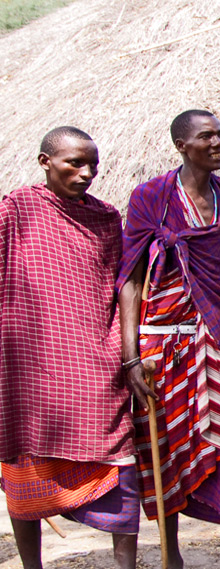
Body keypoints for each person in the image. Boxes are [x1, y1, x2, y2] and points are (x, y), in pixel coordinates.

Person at [0, 127, 140, 569]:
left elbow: (118, 285)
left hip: (94, 360)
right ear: (45, 162)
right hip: (29, 364)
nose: (86, 173)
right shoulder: (17, 209)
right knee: (27, 464)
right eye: (74, 163)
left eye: (93, 165)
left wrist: (125, 352)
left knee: (119, 456)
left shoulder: (106, 218)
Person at [118, 110, 220, 569]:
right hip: (159, 344)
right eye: (206, 136)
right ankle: (171, 556)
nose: (219, 142)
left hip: (213, 342)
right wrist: (131, 359)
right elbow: (130, 281)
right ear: (181, 144)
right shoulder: (151, 197)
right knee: (164, 449)